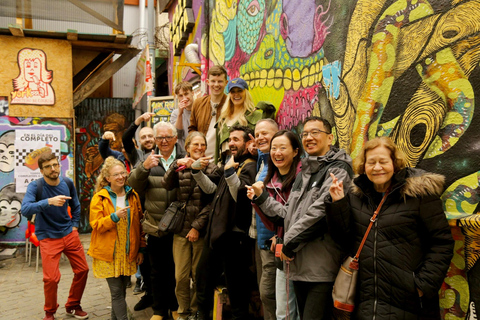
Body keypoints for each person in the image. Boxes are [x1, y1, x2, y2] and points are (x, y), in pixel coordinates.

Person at [326, 137, 454, 319]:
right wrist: (337, 203)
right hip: (366, 301)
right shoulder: (356, 197)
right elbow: (342, 239)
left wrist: (422, 286)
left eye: (383, 161)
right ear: (364, 166)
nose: (377, 167)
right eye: (371, 163)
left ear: (395, 163)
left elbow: (442, 243)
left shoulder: (419, 195)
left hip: (409, 304)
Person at [248, 117, 353, 320]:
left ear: (330, 138)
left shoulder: (338, 169)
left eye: (315, 132)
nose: (309, 137)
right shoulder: (306, 171)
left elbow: (319, 214)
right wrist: (261, 199)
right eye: (305, 134)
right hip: (299, 267)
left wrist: (288, 243)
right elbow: (288, 215)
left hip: (320, 269)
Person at [193, 125, 257, 320]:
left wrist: (229, 174)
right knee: (202, 277)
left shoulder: (251, 166)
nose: (231, 143)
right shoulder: (230, 162)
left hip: (234, 238)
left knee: (237, 289)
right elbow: (211, 188)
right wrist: (196, 171)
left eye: (236, 139)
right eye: (230, 139)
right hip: (216, 233)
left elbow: (242, 197)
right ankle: (202, 315)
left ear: (248, 143)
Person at [21, 152, 89, 320]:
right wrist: (49, 202)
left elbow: (76, 205)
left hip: (69, 233)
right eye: (48, 167)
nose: (53, 169)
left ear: (59, 165)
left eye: (55, 165)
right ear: (41, 170)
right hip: (48, 237)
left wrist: (74, 226)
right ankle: (50, 312)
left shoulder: (67, 182)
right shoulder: (35, 186)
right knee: (51, 279)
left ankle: (73, 305)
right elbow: (25, 209)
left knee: (83, 270)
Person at [128, 121, 185, 320]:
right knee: (158, 270)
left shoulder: (184, 157)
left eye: (167, 137)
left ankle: (176, 306)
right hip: (156, 224)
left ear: (175, 138)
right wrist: (143, 168)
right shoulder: (147, 159)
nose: (163, 141)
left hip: (180, 224)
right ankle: (160, 310)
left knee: (178, 270)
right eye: (159, 138)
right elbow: (133, 184)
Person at [248, 130, 302, 320]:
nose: (277, 152)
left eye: (282, 148)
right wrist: (257, 200)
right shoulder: (271, 178)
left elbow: (289, 216)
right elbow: (273, 221)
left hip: (301, 251)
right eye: (274, 148)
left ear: (296, 151)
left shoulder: (302, 178)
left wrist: (261, 198)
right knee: (283, 311)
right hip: (280, 250)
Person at [162, 132, 217, 320]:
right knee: (181, 277)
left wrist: (196, 227)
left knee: (198, 276)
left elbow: (212, 203)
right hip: (180, 230)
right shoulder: (182, 166)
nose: (200, 148)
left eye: (203, 144)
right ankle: (183, 312)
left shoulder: (211, 168)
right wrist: (174, 165)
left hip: (200, 231)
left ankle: (196, 311)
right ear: (187, 147)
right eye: (196, 144)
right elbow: (166, 184)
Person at [88, 157, 146, 320]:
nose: (121, 177)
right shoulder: (100, 197)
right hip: (109, 254)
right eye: (116, 175)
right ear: (108, 178)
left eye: (123, 173)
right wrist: (114, 217)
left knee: (120, 292)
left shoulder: (132, 195)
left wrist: (140, 249)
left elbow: (139, 225)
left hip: (127, 252)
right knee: (116, 293)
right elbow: (96, 225)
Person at [248, 118, 278, 320]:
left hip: (271, 239)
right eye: (257, 134)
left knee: (269, 294)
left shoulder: (277, 161)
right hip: (259, 236)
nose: (260, 137)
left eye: (265, 133)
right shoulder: (264, 158)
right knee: (264, 290)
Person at [216, 78, 263, 164]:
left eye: (239, 90)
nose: (236, 94)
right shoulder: (223, 117)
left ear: (246, 92)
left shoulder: (255, 115)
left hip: (246, 162)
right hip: (225, 162)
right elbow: (217, 148)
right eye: (233, 92)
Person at [188, 65, 228, 160]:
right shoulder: (198, 103)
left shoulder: (231, 104)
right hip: (200, 158)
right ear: (208, 82)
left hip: (222, 159)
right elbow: (192, 129)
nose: (216, 85)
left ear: (226, 83)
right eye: (213, 81)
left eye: (220, 81)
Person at [170, 81, 194, 148]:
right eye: (181, 96)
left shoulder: (200, 109)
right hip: (183, 152)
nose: (184, 98)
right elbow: (178, 135)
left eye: (186, 94)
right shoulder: (175, 113)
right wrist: (180, 114)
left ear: (192, 93)